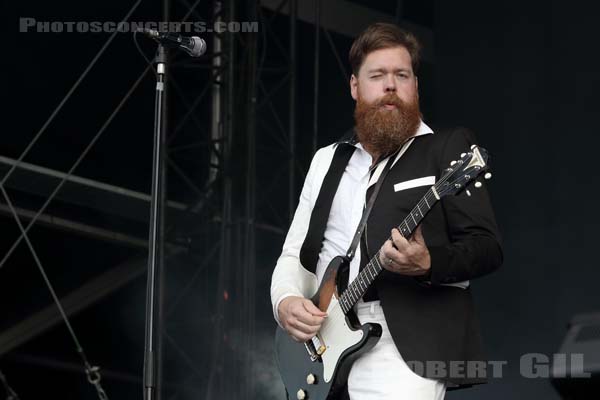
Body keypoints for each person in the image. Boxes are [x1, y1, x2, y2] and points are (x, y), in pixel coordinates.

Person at [270, 22, 503, 400]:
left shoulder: (445, 149)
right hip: (322, 340)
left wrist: (428, 263)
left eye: (402, 75)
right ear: (354, 87)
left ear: (415, 86)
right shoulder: (327, 160)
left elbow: (487, 247)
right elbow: (296, 253)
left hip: (404, 344)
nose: (390, 85)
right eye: (377, 75)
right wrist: (284, 301)